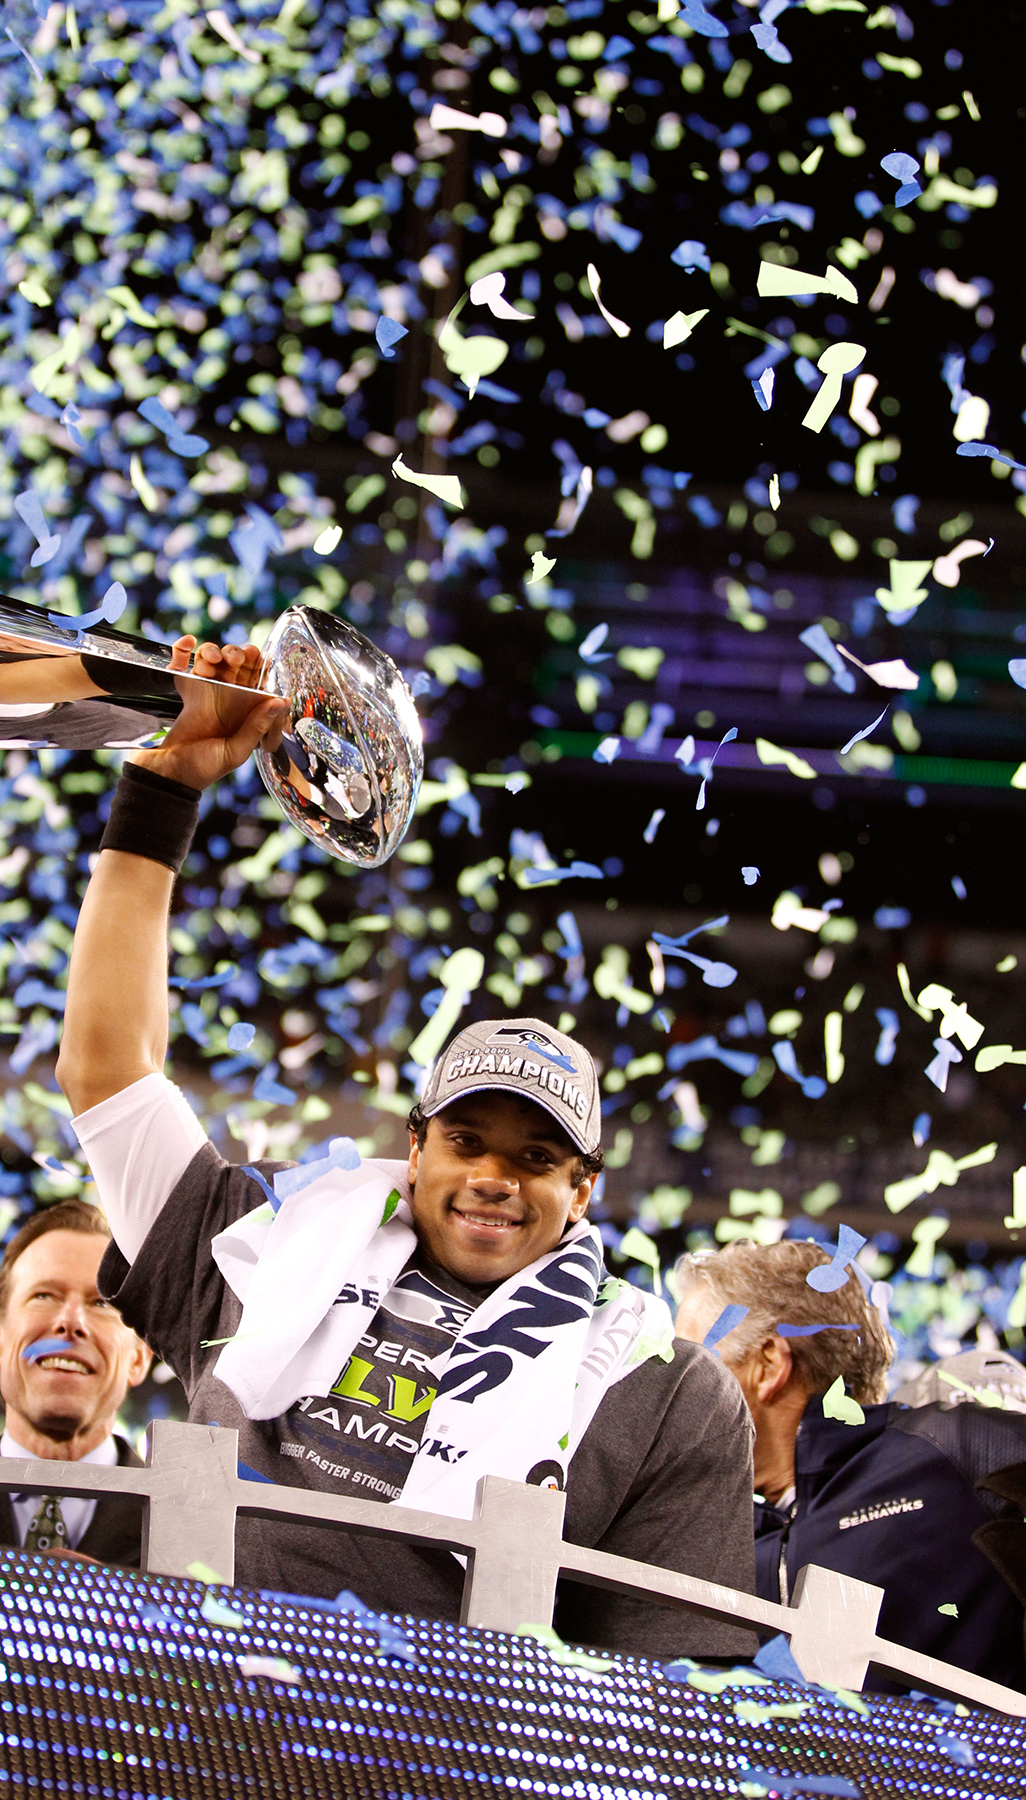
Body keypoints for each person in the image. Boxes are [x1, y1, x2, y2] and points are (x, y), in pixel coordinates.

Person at [54, 632, 758, 1659]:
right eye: (468, 1140)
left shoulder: (665, 1390)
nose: (490, 1179)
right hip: (186, 1720)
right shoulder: (258, 1242)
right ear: (415, 1145)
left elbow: (674, 1682)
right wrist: (162, 790)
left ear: (586, 1190)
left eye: (534, 1160)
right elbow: (108, 1074)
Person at [672, 1237, 1026, 1691]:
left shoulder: (953, 1451)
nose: (672, 1388)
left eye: (690, 1361)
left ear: (767, 1364)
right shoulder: (714, 1538)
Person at [0, 1199, 151, 1566]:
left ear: (140, 1356)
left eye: (101, 1303)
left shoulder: (201, 1533)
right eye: (44, 1295)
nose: (71, 1321)